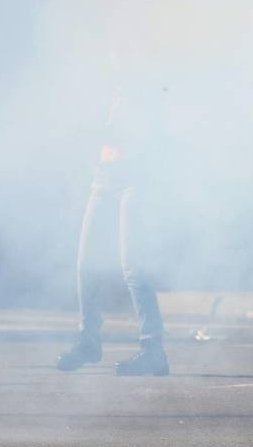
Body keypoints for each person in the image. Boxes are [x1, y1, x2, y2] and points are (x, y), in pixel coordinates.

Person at [56, 55, 170, 377]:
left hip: (135, 178)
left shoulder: (144, 88)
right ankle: (88, 341)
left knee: (132, 266)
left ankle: (153, 349)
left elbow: (136, 135)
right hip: (103, 178)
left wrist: (92, 132)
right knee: (86, 264)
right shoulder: (110, 91)